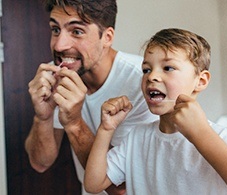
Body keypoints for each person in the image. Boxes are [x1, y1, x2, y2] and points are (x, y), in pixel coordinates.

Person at [84, 28, 227, 195]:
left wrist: (201, 133)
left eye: (168, 68)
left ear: (200, 81)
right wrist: (106, 130)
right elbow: (93, 184)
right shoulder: (137, 137)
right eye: (146, 70)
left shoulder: (219, 136)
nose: (151, 76)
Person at [25, 0, 158, 194]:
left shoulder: (143, 83)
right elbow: (40, 163)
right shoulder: (57, 77)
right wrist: (42, 117)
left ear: (107, 37)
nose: (60, 45)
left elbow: (122, 189)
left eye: (76, 31)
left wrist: (74, 123)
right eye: (55, 29)